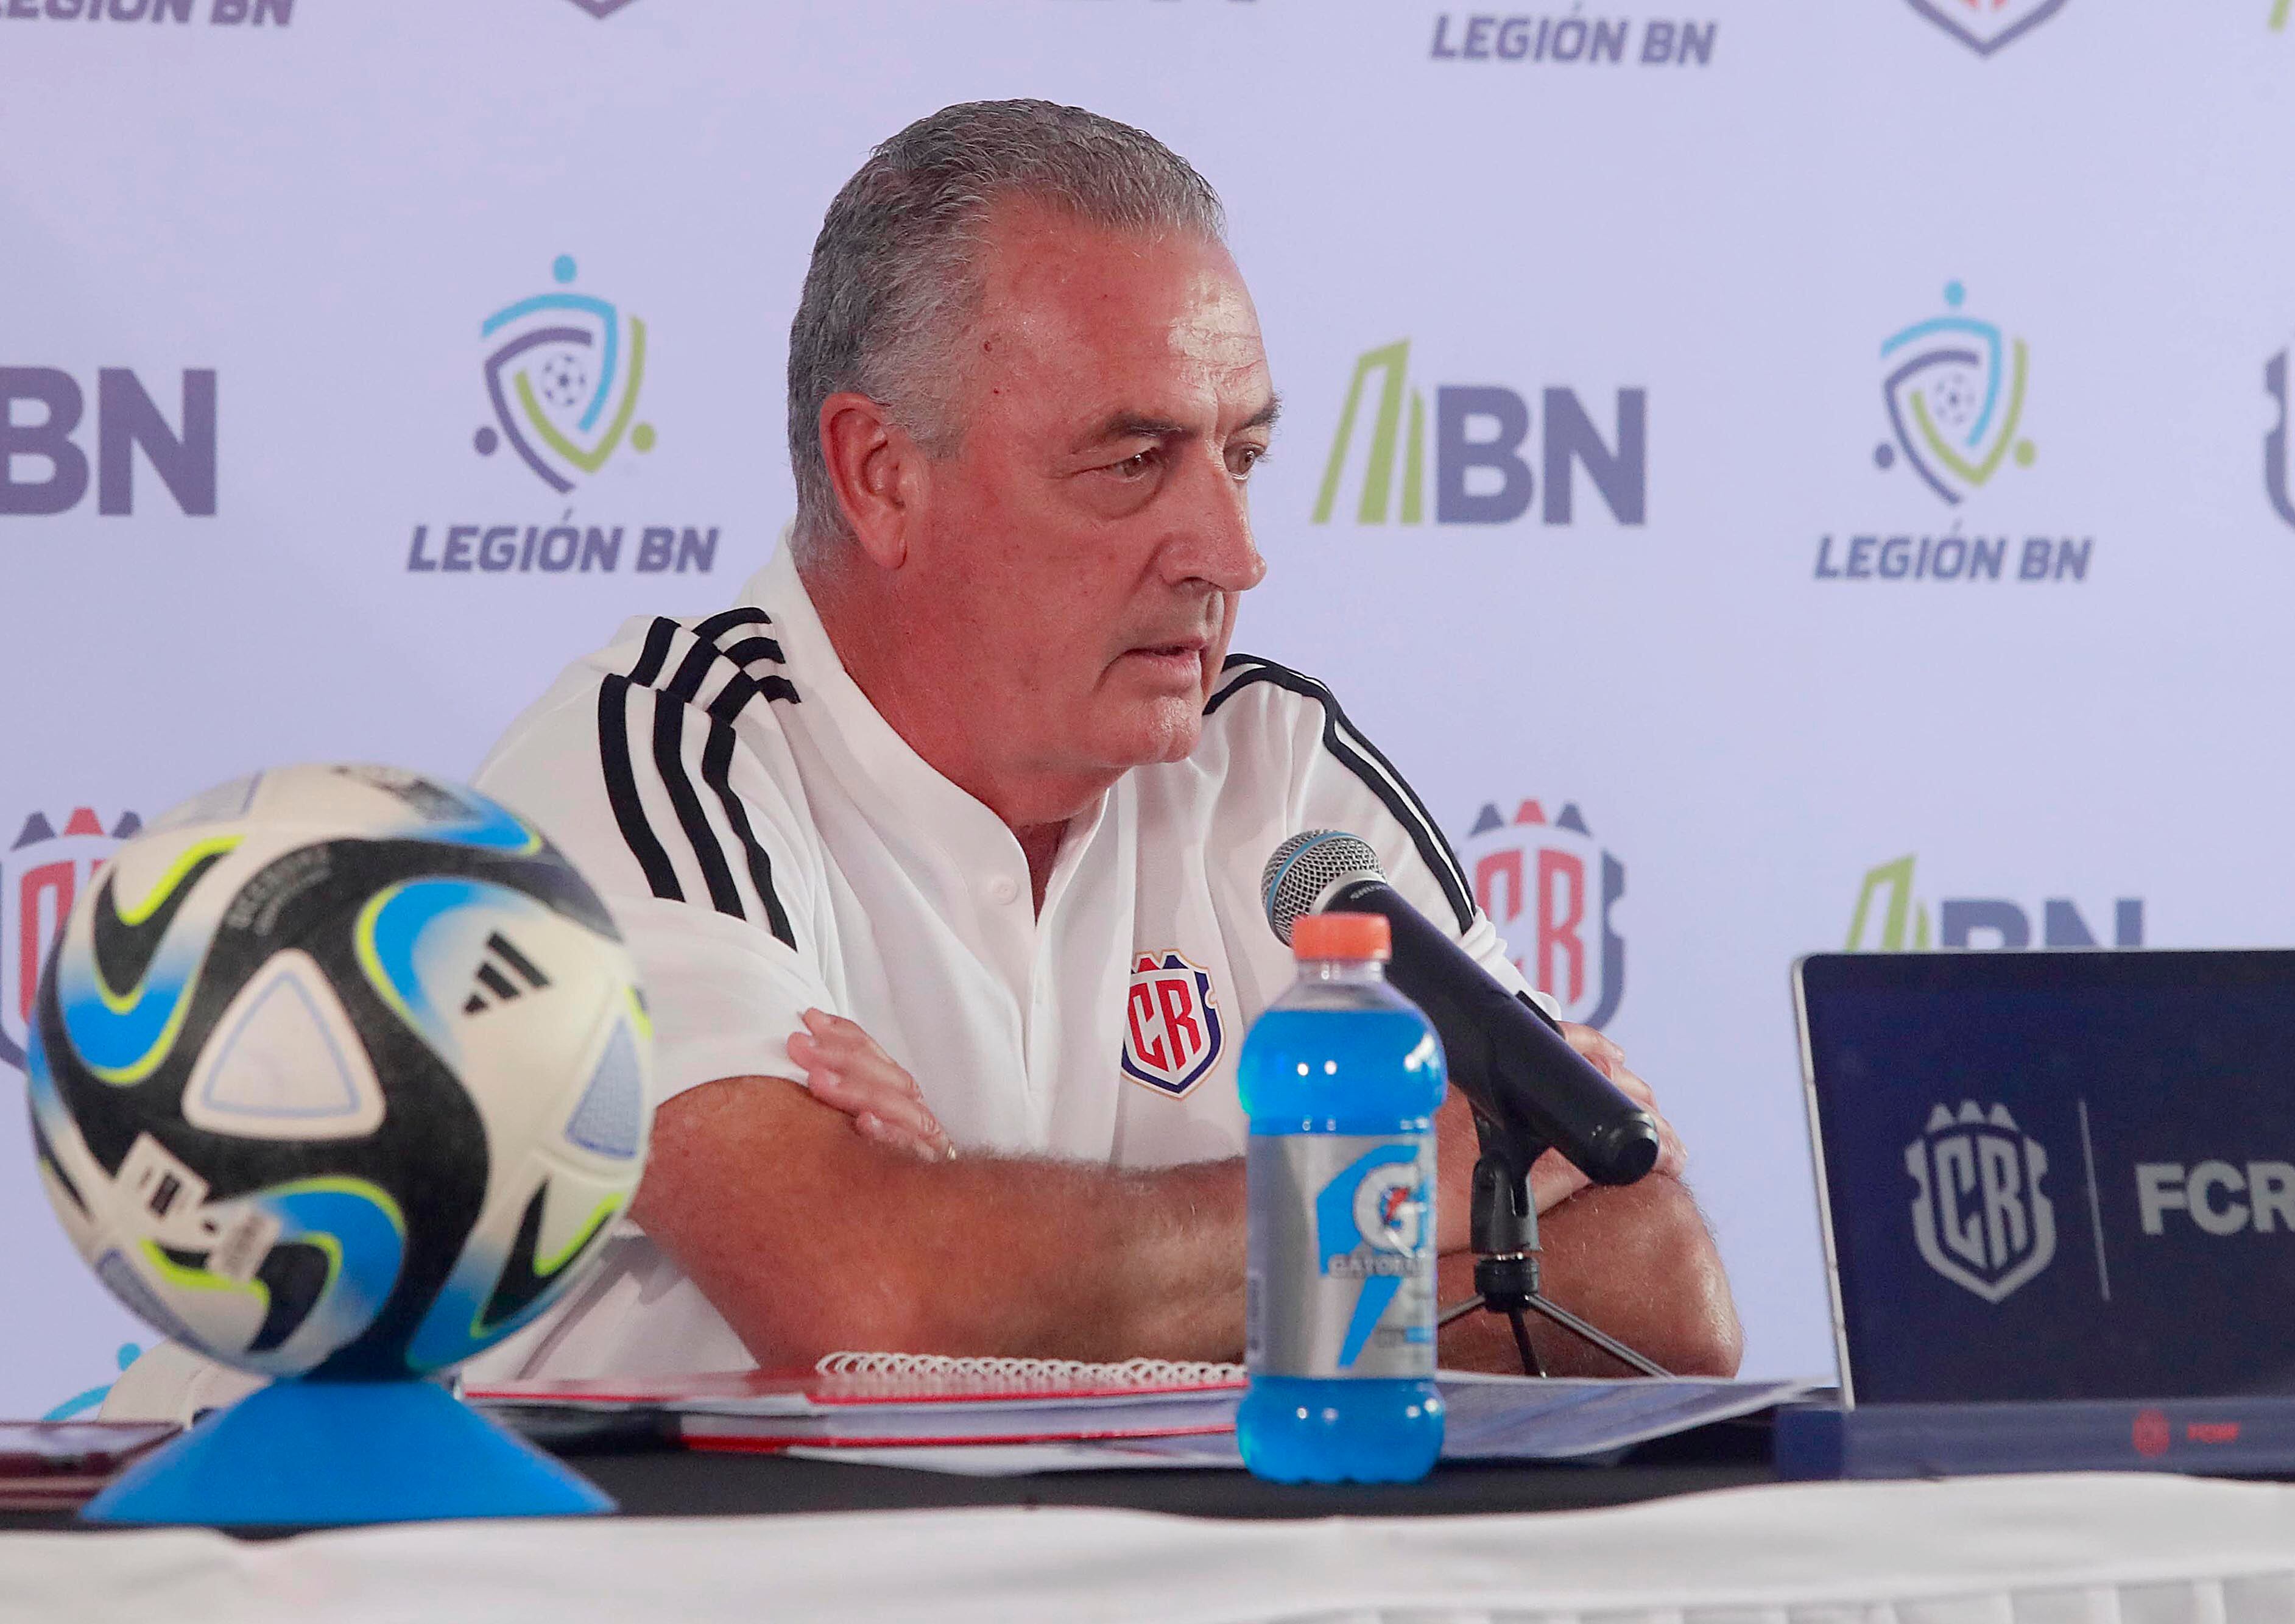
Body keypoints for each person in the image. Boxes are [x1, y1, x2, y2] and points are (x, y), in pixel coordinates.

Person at [469, 99, 1740, 1383]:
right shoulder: (659, 753)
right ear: (880, 474)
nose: (1231, 553)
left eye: (1240, 456)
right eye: (1133, 460)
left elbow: (1656, 1285)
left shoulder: (1278, 767)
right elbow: (870, 1293)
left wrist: (992, 1256)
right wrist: (1397, 1183)